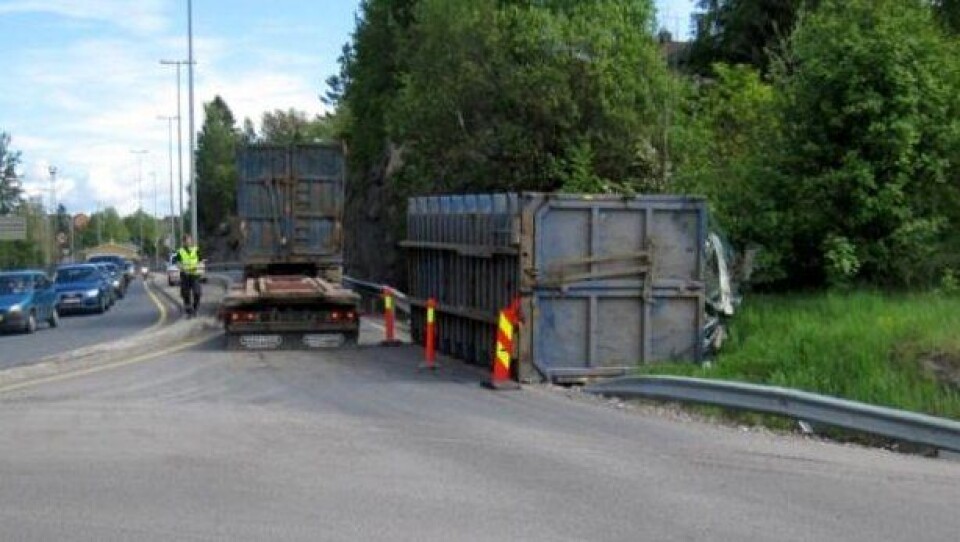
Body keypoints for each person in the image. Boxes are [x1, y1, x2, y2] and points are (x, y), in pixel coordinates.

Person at [172, 234, 202, 317]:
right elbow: (176, 262)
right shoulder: (180, 251)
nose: (188, 242)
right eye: (186, 241)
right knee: (185, 294)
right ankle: (189, 311)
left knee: (197, 292)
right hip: (185, 275)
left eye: (189, 240)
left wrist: (200, 271)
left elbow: (201, 261)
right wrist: (181, 267)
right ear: (183, 242)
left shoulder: (196, 250)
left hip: (195, 275)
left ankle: (195, 308)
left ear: (191, 241)